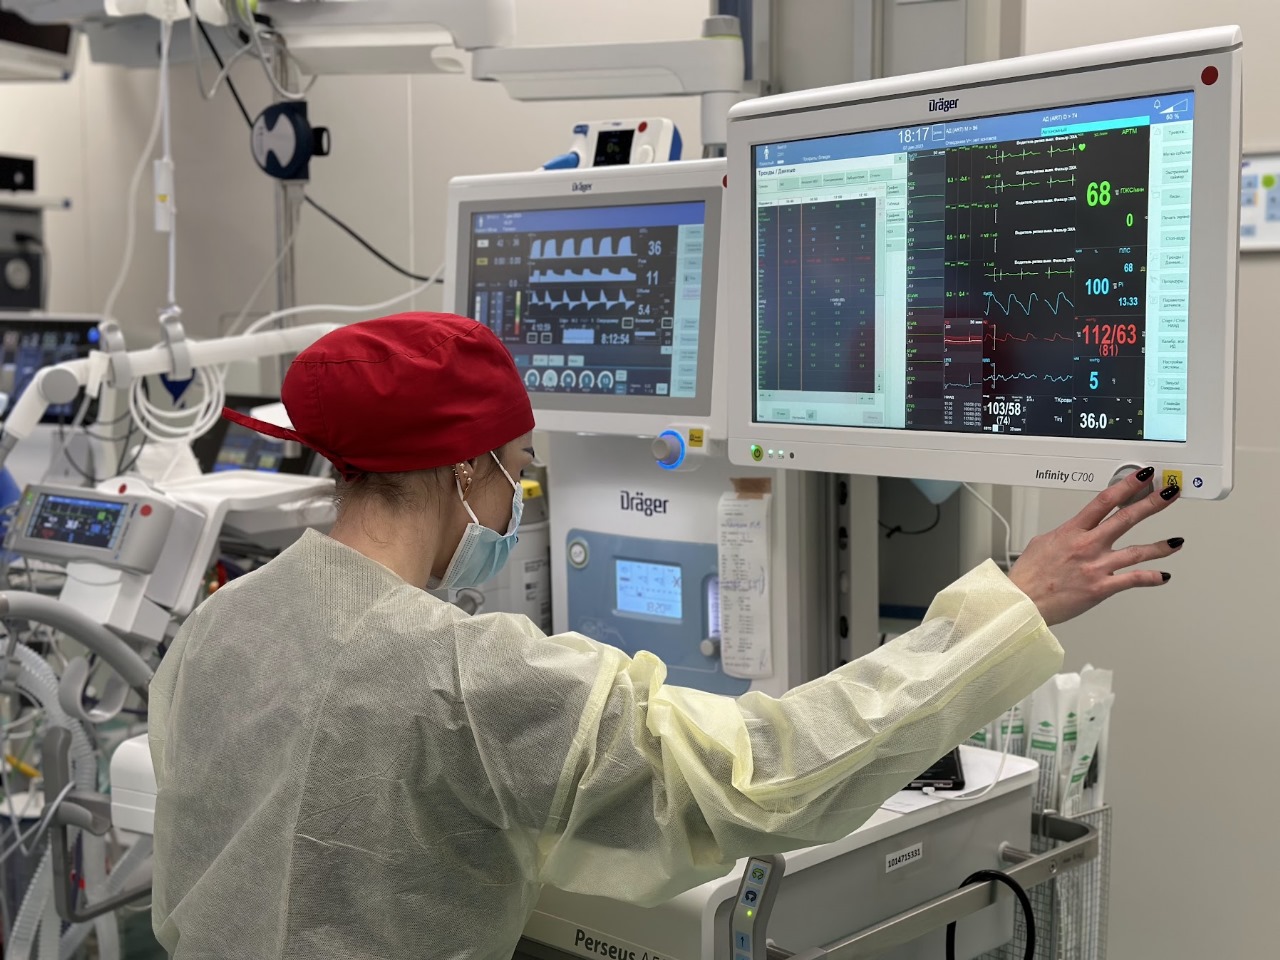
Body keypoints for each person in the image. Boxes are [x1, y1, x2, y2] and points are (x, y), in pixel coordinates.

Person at [148, 313, 1182, 960]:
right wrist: (1009, 606)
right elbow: (764, 776)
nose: (515, 498)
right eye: (516, 470)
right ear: (465, 468)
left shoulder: (219, 627)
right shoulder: (462, 674)